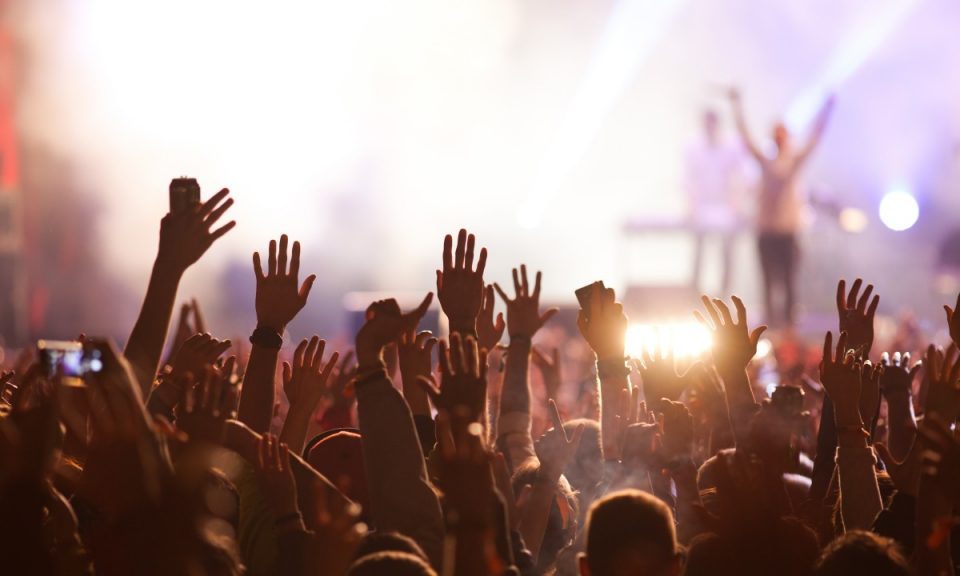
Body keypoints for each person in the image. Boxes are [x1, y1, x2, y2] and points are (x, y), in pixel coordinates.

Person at [729, 89, 835, 327]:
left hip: (787, 232)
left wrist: (826, 111)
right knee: (767, 282)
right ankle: (770, 325)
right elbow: (746, 140)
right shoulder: (765, 161)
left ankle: (788, 327)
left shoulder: (793, 161)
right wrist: (736, 108)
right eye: (775, 134)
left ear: (786, 137)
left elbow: (814, 139)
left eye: (782, 134)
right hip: (767, 231)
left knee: (788, 282)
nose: (778, 138)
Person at [685, 108, 746, 295]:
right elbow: (688, 178)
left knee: (727, 253)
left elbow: (741, 175)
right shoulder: (693, 145)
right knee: (699, 252)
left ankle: (724, 293)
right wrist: (691, 206)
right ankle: (694, 293)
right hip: (702, 208)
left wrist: (736, 203)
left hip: (725, 209)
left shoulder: (731, 145)